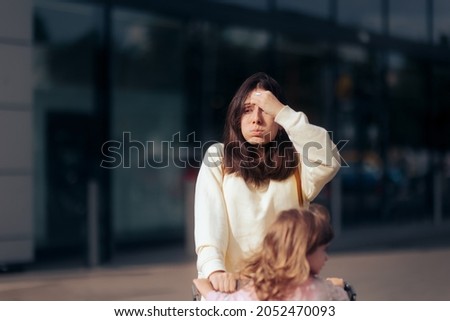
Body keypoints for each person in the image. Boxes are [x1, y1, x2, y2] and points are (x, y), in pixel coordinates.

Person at [194, 72, 341, 292]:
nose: (256, 119)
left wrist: (283, 112)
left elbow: (329, 161)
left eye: (266, 110)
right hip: (232, 289)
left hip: (288, 288)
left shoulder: (298, 163)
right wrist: (215, 271)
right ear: (237, 117)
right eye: (247, 110)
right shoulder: (219, 157)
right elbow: (209, 223)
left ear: (280, 122)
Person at [193, 205, 349, 300]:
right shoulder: (322, 290)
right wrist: (338, 286)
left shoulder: (260, 291)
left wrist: (206, 289)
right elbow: (343, 299)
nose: (326, 257)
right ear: (304, 251)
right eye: (324, 250)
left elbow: (227, 306)